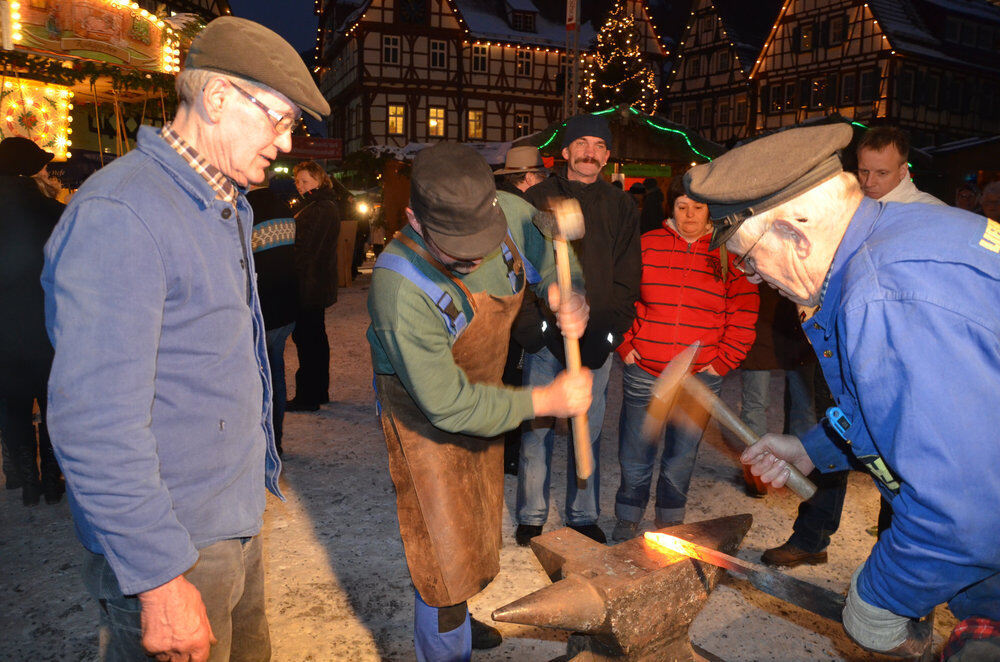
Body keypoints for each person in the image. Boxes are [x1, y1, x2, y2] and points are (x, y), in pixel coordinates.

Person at [42, 17, 328, 662]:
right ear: (218, 98)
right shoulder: (123, 213)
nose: (285, 145)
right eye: (279, 120)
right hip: (175, 542)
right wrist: (160, 579)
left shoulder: (216, 199)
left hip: (226, 520)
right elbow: (94, 423)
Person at [686, 123, 1000, 659]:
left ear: (795, 233)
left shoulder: (885, 293)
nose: (755, 279)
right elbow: (902, 410)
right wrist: (812, 448)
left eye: (748, 258)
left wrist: (879, 599)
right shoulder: (915, 227)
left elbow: (962, 512)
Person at [367, 142, 592, 659]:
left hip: (485, 392)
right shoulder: (399, 290)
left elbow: (554, 253)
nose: (472, 255)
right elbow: (448, 404)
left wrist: (566, 289)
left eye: (480, 241)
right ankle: (447, 643)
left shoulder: (509, 212)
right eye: (456, 246)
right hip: (425, 412)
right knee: (441, 548)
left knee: (474, 521)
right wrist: (544, 401)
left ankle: (458, 621)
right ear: (413, 219)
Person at [760, 124, 947, 569]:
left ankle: (894, 560)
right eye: (862, 171)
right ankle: (811, 536)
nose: (869, 182)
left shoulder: (928, 217)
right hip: (838, 353)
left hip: (896, 361)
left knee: (896, 463)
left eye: (881, 173)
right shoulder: (849, 212)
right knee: (832, 437)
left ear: (905, 168)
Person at [516, 113, 641, 546]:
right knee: (538, 429)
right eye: (582, 144)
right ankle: (531, 513)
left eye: (599, 146)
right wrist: (533, 329)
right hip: (546, 338)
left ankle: (583, 514)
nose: (591, 152)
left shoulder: (622, 205)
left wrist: (609, 333)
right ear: (565, 151)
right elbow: (521, 269)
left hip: (597, 338)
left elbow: (628, 276)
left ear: (606, 156)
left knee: (589, 429)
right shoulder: (539, 199)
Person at [612, 175, 758, 541]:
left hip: (699, 375)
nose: (689, 215)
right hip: (647, 369)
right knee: (636, 449)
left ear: (711, 210)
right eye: (681, 207)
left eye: (698, 207)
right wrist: (627, 345)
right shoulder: (648, 245)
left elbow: (743, 312)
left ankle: (670, 519)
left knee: (681, 453)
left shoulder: (729, 254)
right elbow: (622, 297)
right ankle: (628, 515)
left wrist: (723, 361)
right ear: (670, 207)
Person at [0, 136, 64, 507]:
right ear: (28, 170)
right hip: (47, 326)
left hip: (4, 333)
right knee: (53, 403)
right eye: (40, 163)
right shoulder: (53, 214)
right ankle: (54, 481)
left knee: (13, 406)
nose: (46, 169)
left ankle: (28, 484)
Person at [494, 144, 548, 474]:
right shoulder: (523, 210)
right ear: (528, 178)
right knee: (512, 380)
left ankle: (498, 449)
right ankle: (508, 453)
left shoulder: (494, 204)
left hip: (492, 310)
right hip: (514, 310)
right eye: (540, 175)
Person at [737, 285, 816, 500]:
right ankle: (757, 476)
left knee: (803, 407)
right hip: (764, 327)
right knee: (758, 404)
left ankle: (794, 472)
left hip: (795, 332)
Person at [248, 178, 298, 455]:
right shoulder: (284, 207)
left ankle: (264, 444)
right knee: (275, 372)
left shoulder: (245, 210)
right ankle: (274, 441)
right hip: (287, 304)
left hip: (262, 307)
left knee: (258, 379)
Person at [287, 160, 340, 412]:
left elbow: (308, 249)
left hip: (309, 284)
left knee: (308, 340)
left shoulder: (320, 207)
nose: (299, 185)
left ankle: (308, 396)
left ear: (319, 181)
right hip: (313, 283)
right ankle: (319, 391)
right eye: (298, 181)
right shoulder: (320, 205)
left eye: (305, 181)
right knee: (315, 338)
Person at [856, 125, 944, 205]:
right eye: (864, 171)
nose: (869, 183)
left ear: (903, 171)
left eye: (882, 173)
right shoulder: (850, 205)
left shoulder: (932, 210)